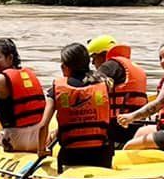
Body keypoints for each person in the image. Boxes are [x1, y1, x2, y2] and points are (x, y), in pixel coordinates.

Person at [35, 42, 114, 170]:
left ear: (64, 66)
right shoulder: (105, 84)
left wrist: (41, 150)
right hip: (102, 155)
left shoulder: (55, 90)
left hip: (72, 155)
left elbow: (43, 125)